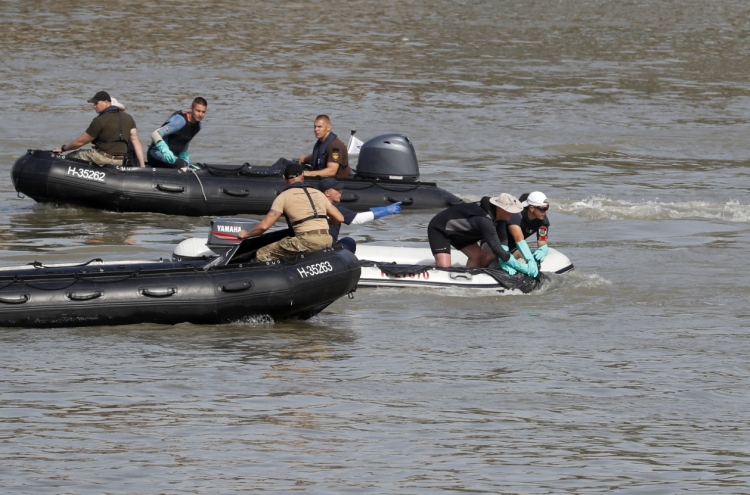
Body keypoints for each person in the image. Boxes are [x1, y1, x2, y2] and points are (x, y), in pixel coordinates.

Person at [237, 163, 344, 261]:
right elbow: (339, 218)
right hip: (327, 240)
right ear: (302, 176)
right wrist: (322, 223)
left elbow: (264, 226)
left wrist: (246, 234)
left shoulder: (284, 196)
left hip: (306, 241)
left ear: (285, 180)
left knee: (261, 253)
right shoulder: (319, 193)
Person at [427, 193, 537, 276]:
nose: (514, 214)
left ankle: (469, 278)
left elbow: (503, 241)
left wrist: (506, 260)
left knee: (477, 255)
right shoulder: (484, 220)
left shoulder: (501, 217)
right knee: (444, 267)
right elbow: (496, 248)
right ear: (501, 209)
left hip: (461, 233)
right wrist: (520, 267)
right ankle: (428, 270)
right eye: (511, 211)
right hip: (440, 229)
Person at [53, 91, 145, 167]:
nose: (94, 106)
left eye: (96, 103)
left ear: (106, 102)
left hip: (103, 157)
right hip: (121, 160)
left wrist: (64, 148)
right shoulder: (128, 118)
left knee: (72, 156)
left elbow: (80, 142)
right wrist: (142, 166)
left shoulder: (100, 120)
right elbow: (136, 142)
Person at [317, 177, 402, 253]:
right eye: (337, 189)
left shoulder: (313, 204)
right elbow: (357, 219)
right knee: (348, 242)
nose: (341, 191)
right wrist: (385, 211)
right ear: (327, 193)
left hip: (313, 246)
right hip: (327, 249)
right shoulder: (333, 207)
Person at [481, 191, 551, 271]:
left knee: (526, 258)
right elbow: (519, 239)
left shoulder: (543, 221)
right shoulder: (516, 214)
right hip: (495, 242)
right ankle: (479, 271)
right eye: (543, 209)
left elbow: (542, 242)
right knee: (489, 256)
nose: (546, 212)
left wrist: (543, 249)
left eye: (547, 208)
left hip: (513, 246)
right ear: (531, 208)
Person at [147, 97, 207, 168]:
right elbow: (155, 134)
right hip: (156, 154)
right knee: (182, 165)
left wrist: (183, 154)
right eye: (198, 111)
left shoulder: (198, 126)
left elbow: (185, 140)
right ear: (191, 109)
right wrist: (165, 151)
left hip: (174, 157)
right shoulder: (179, 121)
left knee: (189, 166)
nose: (200, 114)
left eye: (203, 112)